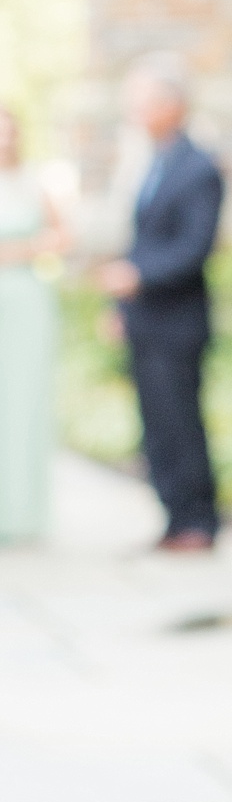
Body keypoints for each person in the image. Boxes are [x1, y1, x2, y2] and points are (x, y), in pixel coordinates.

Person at [97, 54, 224, 551]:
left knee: (182, 421)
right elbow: (141, 239)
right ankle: (173, 518)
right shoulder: (150, 163)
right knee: (155, 426)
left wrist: (138, 276)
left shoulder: (199, 168)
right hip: (145, 319)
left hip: (179, 321)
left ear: (173, 105)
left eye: (142, 101)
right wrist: (120, 307)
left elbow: (195, 247)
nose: (134, 111)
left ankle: (198, 521)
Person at [0, 105, 67, 542]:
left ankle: (20, 513)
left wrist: (23, 251)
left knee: (22, 404)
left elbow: (62, 234)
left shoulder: (33, 183)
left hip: (24, 302)